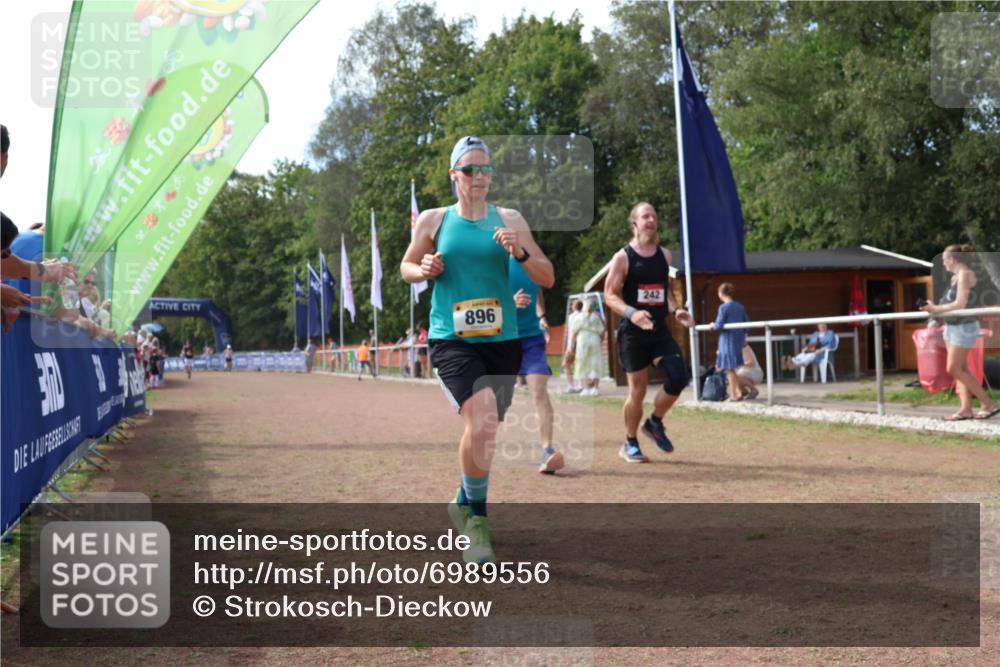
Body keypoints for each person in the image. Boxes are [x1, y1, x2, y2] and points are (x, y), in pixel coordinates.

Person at [401, 135, 554, 563]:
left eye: (486, 168)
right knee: (483, 417)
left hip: (503, 343)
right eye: (470, 169)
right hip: (452, 338)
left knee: (483, 430)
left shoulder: (509, 219)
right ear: (455, 175)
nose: (480, 176)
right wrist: (424, 268)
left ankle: (461, 498)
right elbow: (406, 266)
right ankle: (478, 524)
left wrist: (520, 252)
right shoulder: (434, 220)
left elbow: (547, 276)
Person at [604, 202, 695, 463]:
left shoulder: (664, 256)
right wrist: (633, 313)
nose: (651, 220)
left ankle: (654, 423)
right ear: (634, 224)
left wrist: (676, 310)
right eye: (646, 216)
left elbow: (663, 292)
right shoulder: (623, 257)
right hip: (633, 334)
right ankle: (629, 442)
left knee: (679, 376)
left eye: (654, 216)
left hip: (659, 331)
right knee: (638, 391)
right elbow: (610, 295)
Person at [922, 244, 999, 421]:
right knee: (961, 369)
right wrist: (934, 309)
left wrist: (935, 308)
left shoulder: (964, 274)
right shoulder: (956, 277)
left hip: (964, 327)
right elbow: (950, 303)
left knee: (954, 368)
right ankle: (965, 409)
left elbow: (960, 304)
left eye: (944, 260)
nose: (943, 264)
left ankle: (988, 403)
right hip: (953, 327)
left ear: (952, 259)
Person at [511, 253, 564, 474]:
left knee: (539, 391)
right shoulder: (493, 259)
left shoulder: (531, 260)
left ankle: (547, 450)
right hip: (502, 337)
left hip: (532, 338)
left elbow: (538, 290)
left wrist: (541, 315)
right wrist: (508, 302)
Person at [707, 282, 749, 401]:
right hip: (738, 339)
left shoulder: (723, 307)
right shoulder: (740, 307)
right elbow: (747, 324)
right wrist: (744, 338)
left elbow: (719, 324)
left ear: (720, 294)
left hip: (727, 340)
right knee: (732, 368)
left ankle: (734, 395)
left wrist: (711, 325)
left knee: (729, 368)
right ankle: (738, 392)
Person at [571, 299, 606, 396]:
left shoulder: (578, 317)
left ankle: (585, 388)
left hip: (582, 340)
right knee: (595, 362)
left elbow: (574, 332)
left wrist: (571, 345)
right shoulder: (596, 317)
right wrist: (600, 341)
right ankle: (595, 388)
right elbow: (602, 331)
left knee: (582, 363)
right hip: (595, 340)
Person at [561, 299, 584, 393]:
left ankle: (572, 386)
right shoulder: (584, 316)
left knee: (565, 364)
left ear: (574, 306)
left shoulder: (572, 317)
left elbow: (572, 332)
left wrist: (570, 346)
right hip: (582, 342)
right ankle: (581, 385)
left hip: (574, 343)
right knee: (579, 364)